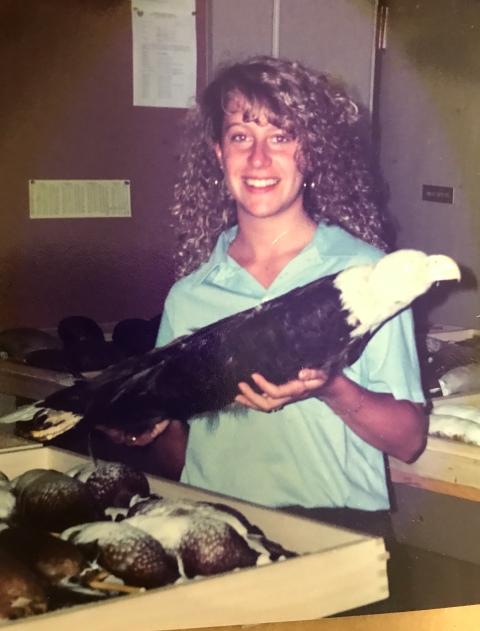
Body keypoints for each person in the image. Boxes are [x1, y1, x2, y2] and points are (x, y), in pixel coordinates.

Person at [100, 56, 428, 541]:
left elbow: (408, 440)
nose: (258, 159)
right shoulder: (189, 296)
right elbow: (180, 457)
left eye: (280, 137)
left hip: (335, 533)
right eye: (240, 137)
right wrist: (147, 425)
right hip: (214, 531)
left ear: (310, 152)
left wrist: (329, 387)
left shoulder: (364, 276)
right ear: (218, 153)